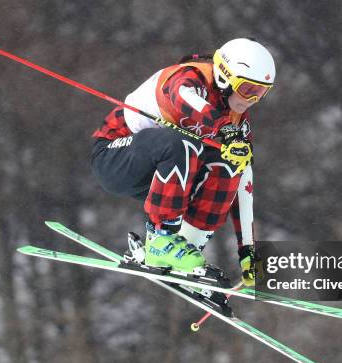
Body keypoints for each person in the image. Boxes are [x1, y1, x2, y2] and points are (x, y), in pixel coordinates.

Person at [91, 38, 275, 287]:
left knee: (231, 164)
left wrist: (248, 250)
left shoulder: (237, 121)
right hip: (115, 157)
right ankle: (161, 239)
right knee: (181, 142)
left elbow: (244, 177)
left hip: (162, 177)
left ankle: (185, 249)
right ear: (224, 75)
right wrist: (223, 129)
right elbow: (182, 97)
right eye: (247, 90)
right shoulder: (190, 77)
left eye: (260, 93)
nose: (251, 100)